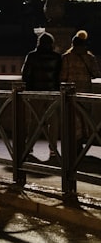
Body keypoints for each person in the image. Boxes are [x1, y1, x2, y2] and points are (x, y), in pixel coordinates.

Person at [21, 32, 62, 162]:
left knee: (35, 121)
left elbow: (25, 75)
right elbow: (59, 76)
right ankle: (53, 148)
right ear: (51, 43)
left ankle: (29, 147)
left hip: (36, 93)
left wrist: (28, 90)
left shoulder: (31, 56)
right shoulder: (57, 57)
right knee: (53, 121)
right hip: (52, 93)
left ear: (39, 43)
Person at [60, 30, 101, 152]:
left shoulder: (66, 57)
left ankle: (73, 144)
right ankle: (81, 143)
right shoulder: (90, 57)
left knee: (72, 118)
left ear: (72, 44)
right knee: (85, 118)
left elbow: (62, 76)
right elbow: (96, 74)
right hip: (85, 92)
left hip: (70, 92)